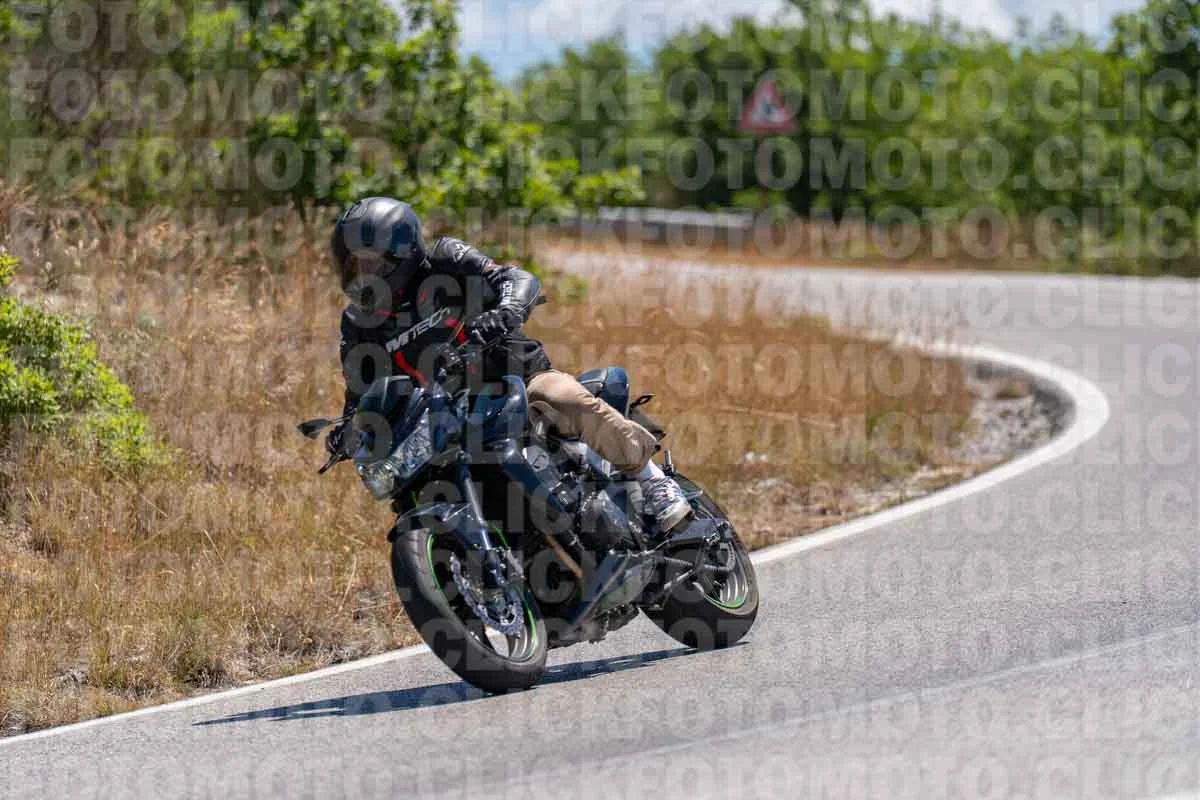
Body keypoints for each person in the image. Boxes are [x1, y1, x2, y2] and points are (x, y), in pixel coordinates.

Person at [326, 196, 691, 533]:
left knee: (561, 396)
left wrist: (508, 309)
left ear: (402, 252)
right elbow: (361, 390)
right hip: (447, 416)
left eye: (369, 263)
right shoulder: (359, 323)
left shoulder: (445, 259)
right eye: (352, 265)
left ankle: (651, 479)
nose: (361, 275)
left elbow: (513, 278)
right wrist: (350, 428)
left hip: (517, 379)